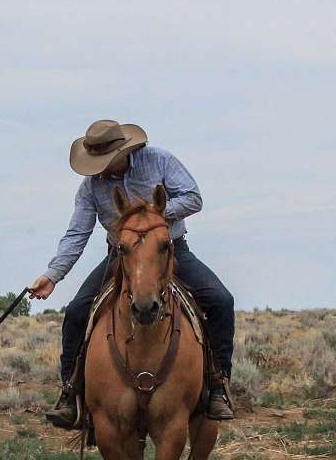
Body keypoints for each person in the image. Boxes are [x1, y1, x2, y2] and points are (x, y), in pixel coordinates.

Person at [29, 119, 235, 426]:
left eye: (104, 161)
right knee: (76, 313)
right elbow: (77, 233)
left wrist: (153, 217)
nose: (100, 169)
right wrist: (53, 275)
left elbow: (193, 197)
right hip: (121, 256)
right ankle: (70, 393)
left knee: (220, 301)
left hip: (169, 249)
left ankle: (218, 385)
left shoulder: (159, 160)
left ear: (123, 151)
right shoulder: (91, 187)